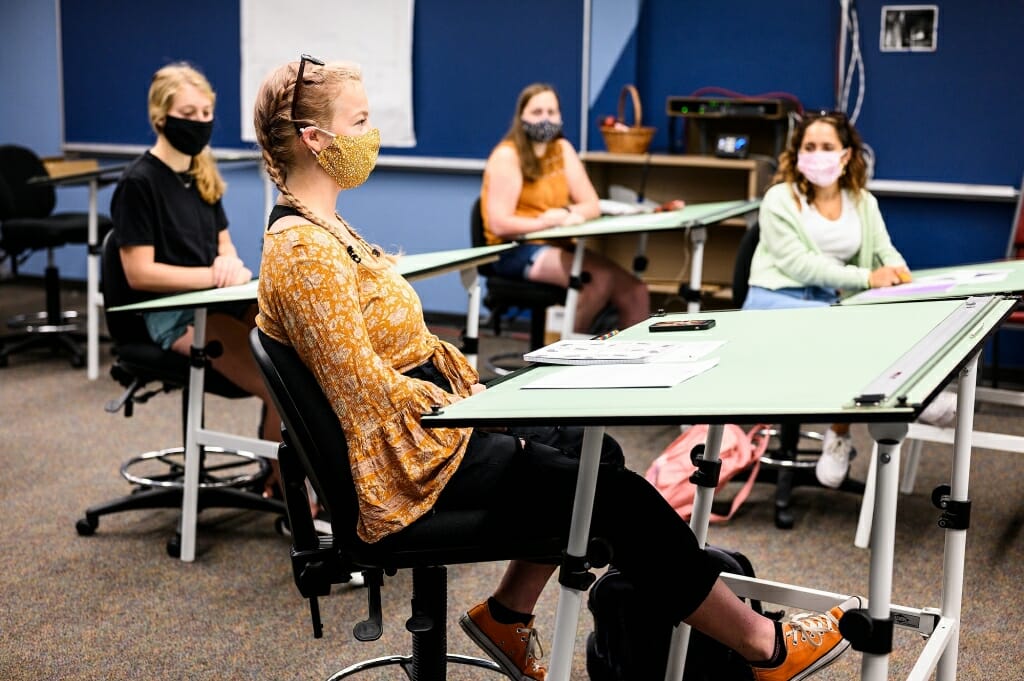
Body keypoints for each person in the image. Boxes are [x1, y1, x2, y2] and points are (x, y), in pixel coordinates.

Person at [252, 55, 861, 681]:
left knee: (591, 445)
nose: (369, 133)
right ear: (315, 140)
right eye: (359, 121)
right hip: (406, 461)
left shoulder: (326, 229)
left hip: (432, 424)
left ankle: (507, 615)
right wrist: (487, 425)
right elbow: (363, 396)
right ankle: (764, 646)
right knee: (611, 493)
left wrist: (484, 405)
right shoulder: (304, 251)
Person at [745, 109, 956, 488]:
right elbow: (800, 265)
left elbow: (885, 251)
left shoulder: (862, 201)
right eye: (809, 146)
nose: (817, 154)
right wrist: (868, 277)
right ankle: (905, 397)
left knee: (879, 322)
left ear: (846, 155)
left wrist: (899, 274)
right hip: (774, 301)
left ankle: (842, 432)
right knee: (851, 332)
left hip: (829, 301)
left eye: (827, 146)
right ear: (796, 153)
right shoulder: (779, 198)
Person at [109, 62, 283, 497]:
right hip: (174, 317)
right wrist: (212, 274)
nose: (201, 123)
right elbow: (139, 272)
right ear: (161, 116)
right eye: (190, 113)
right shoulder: (139, 184)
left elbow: (225, 248)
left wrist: (231, 266)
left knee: (294, 365)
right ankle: (288, 496)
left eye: (208, 113)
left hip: (217, 302)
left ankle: (280, 487)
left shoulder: (202, 176)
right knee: (282, 389)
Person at [480, 83, 650, 334]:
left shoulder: (563, 150)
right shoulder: (508, 156)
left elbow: (591, 204)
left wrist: (569, 215)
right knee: (598, 280)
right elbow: (499, 224)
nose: (546, 119)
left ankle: (633, 364)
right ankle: (567, 358)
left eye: (552, 112)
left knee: (636, 291)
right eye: (537, 113)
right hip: (514, 250)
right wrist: (547, 222)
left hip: (558, 244)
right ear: (521, 117)